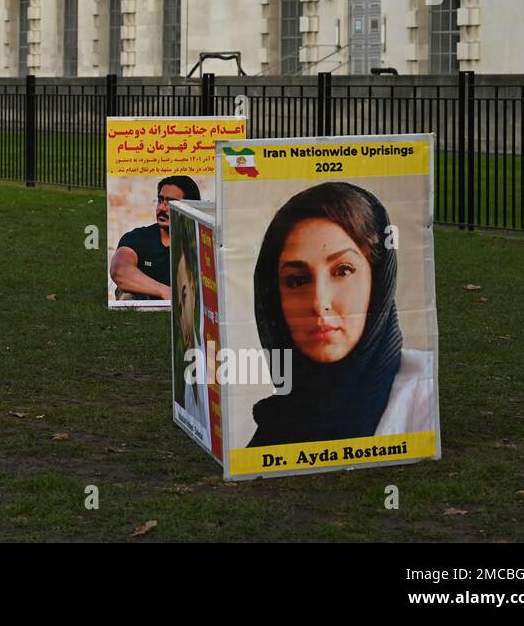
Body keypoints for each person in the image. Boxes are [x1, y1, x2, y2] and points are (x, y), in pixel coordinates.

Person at [246, 181, 434, 447]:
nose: (319, 302)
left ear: (378, 280)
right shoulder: (275, 429)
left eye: (343, 270)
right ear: (276, 298)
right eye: (297, 281)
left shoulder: (424, 397)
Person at [110, 175, 202, 301]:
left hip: (189, 309)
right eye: (160, 200)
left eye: (171, 203)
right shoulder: (138, 237)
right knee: (126, 294)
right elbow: (119, 270)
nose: (161, 208)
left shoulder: (202, 240)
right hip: (145, 311)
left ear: (190, 208)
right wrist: (164, 291)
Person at [171, 214, 209, 438]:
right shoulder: (188, 378)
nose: (181, 314)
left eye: (184, 296)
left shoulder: (212, 366)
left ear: (194, 291)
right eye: (178, 303)